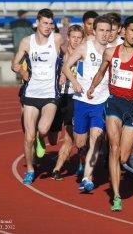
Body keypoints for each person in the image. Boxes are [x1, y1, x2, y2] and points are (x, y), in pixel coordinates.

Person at [87, 16, 133, 211]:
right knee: (115, 146)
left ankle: (112, 163)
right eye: (132, 30)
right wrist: (92, 87)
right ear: (123, 31)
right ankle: (116, 196)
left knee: (124, 157)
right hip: (115, 104)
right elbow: (102, 72)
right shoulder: (111, 52)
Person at [11, 8, 64, 185]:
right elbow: (15, 63)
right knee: (28, 136)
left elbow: (67, 55)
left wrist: (65, 73)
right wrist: (21, 71)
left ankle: (41, 139)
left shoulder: (56, 39)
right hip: (31, 93)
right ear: (37, 23)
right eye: (45, 23)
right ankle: (31, 170)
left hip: (50, 93)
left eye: (51, 23)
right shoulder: (27, 42)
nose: (48, 27)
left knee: (42, 130)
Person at [60, 16, 112, 191]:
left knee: (96, 137)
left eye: (108, 30)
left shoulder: (113, 51)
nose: (105, 34)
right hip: (81, 100)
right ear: (94, 31)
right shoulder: (85, 47)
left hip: (101, 100)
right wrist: (74, 82)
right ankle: (83, 158)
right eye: (101, 30)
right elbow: (66, 66)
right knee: (81, 143)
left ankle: (87, 178)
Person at [49, 24, 84, 181]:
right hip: (57, 97)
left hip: (73, 98)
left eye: (79, 38)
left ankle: (57, 169)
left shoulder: (83, 55)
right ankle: (39, 135)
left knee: (70, 137)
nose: (76, 41)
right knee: (52, 139)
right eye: (74, 37)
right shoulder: (60, 53)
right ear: (68, 38)